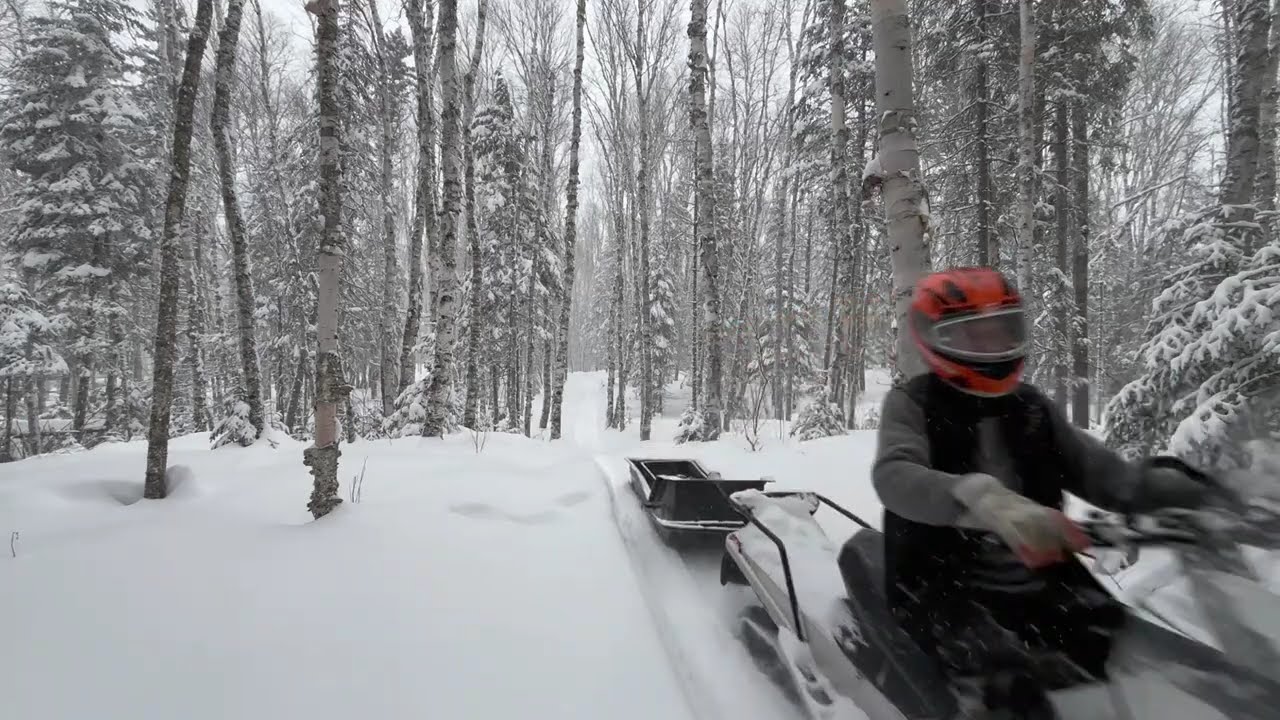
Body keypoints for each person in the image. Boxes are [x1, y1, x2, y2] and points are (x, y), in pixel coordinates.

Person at [866, 266, 1213, 711]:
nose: (991, 347)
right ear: (933, 340)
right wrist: (980, 498)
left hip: (1045, 573)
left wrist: (1175, 490)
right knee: (1005, 685)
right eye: (973, 337)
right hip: (941, 582)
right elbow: (895, 475)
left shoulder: (1031, 408)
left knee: (1117, 641)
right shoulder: (912, 403)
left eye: (1001, 332)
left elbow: (1099, 472)